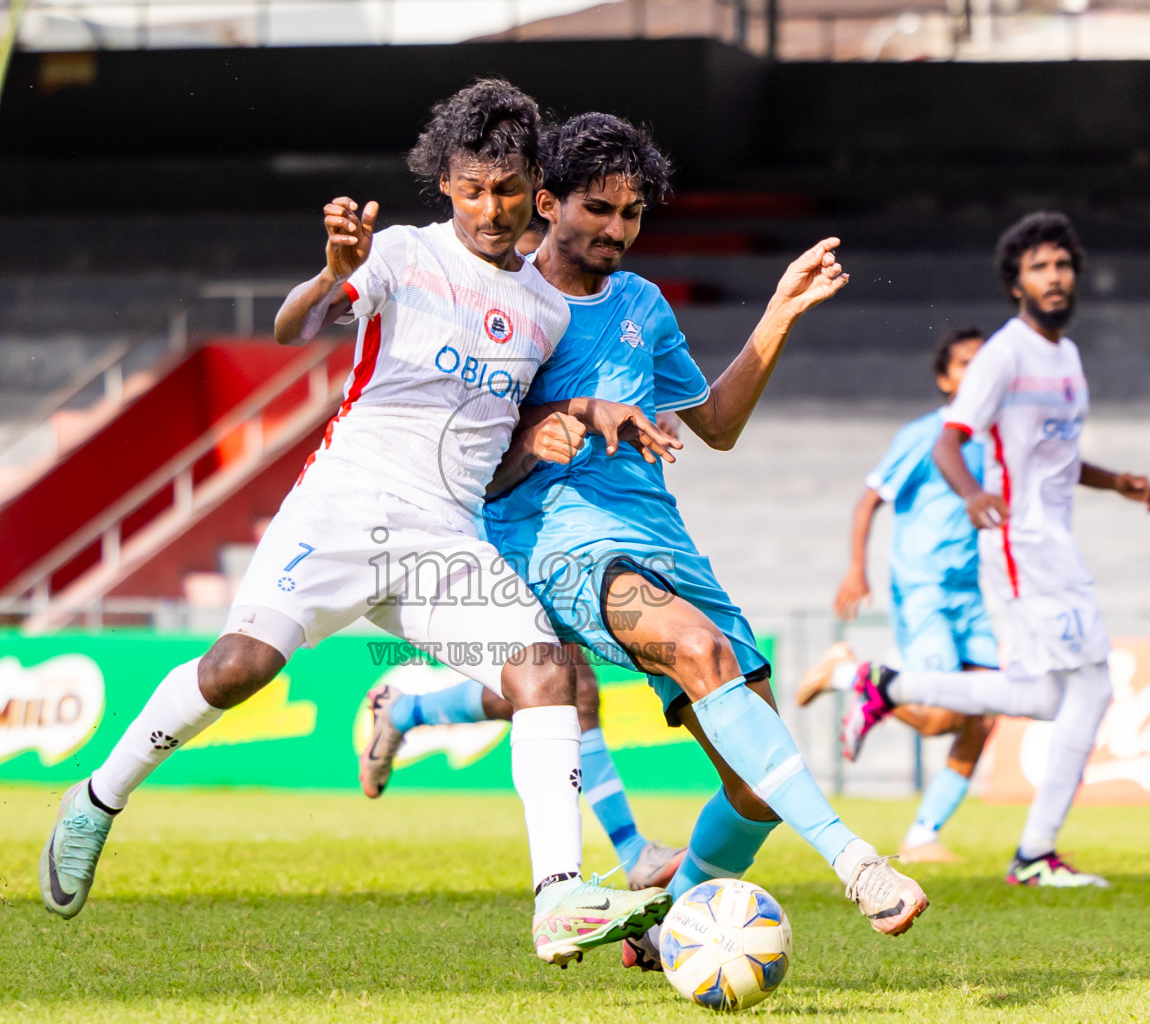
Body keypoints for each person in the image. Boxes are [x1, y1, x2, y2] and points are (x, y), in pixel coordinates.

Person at [38, 80, 681, 968]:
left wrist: (548, 432)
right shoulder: (403, 256)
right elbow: (292, 328)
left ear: (536, 188)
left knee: (547, 676)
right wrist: (332, 275)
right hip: (345, 506)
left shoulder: (544, 311)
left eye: (504, 190)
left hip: (447, 537)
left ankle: (558, 897)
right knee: (237, 669)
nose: (487, 210)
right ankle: (97, 800)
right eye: (469, 189)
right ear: (446, 185)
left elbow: (500, 461)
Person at [364, 113, 930, 975]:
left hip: (661, 540)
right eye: (600, 209)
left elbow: (718, 424)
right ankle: (857, 863)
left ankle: (663, 927)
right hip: (557, 541)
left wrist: (778, 311)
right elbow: (459, 457)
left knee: (752, 788)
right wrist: (542, 432)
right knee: (691, 654)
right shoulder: (503, 304)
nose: (619, 231)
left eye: (633, 214)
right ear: (546, 202)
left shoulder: (641, 305)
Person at [836, 212, 1150, 888]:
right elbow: (948, 441)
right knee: (1090, 687)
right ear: (1017, 283)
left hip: (1055, 541)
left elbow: (1054, 458)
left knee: (1049, 695)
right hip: (1020, 543)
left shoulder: (1065, 358)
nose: (1055, 277)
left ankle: (887, 684)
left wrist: (1115, 481)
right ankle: (1035, 855)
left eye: (1063, 265)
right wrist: (971, 497)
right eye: (1040, 267)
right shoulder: (1004, 355)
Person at [797, 328, 997, 864]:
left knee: (988, 713)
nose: (977, 373)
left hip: (968, 588)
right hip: (924, 586)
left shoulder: (995, 436)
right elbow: (869, 500)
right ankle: (852, 675)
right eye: (965, 365)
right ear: (944, 378)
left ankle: (923, 835)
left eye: (986, 364)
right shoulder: (926, 434)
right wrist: (857, 570)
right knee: (942, 717)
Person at [360, 643, 688, 890]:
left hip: (544, 554)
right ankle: (629, 852)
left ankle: (403, 711)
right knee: (562, 684)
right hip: (500, 558)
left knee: (563, 688)